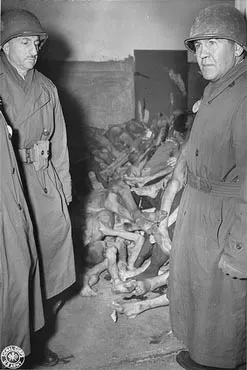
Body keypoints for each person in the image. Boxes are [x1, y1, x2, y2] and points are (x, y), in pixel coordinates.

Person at [159, 4, 247, 370]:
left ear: (239, 48)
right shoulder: (216, 90)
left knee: (226, 305)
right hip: (201, 208)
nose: (203, 52)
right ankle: (202, 355)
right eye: (198, 45)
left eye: (214, 42)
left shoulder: (242, 97)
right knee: (200, 295)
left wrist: (240, 248)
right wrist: (174, 188)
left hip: (226, 217)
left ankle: (220, 363)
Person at [0, 9, 76, 366]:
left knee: (53, 262)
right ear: (5, 46)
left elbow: (59, 144)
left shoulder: (46, 87)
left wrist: (65, 191)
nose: (33, 50)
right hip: (8, 184)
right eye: (24, 42)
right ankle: (13, 351)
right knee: (15, 273)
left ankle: (37, 340)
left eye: (36, 43)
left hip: (42, 180)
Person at [0, 99, 44, 366]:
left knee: (19, 278)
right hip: (4, 210)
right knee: (13, 285)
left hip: (11, 204)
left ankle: (11, 360)